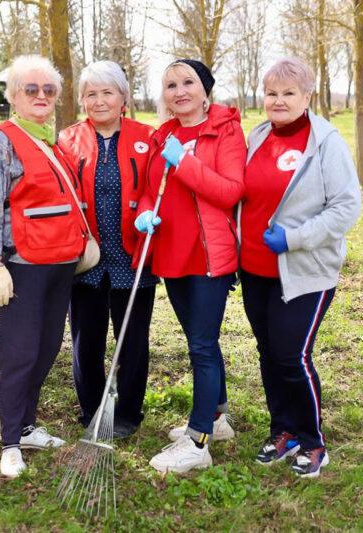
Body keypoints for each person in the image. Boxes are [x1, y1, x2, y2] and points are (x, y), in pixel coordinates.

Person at [241, 57, 361, 477]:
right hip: (254, 269)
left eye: (288, 93)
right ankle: (283, 431)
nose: (278, 100)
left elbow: (347, 207)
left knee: (292, 355)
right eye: (271, 93)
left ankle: (312, 441)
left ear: (306, 96)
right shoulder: (256, 136)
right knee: (269, 353)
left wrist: (294, 238)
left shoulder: (325, 142)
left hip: (305, 270)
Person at [0, 55, 88, 478]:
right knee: (19, 354)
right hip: (22, 265)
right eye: (31, 89)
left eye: (48, 90)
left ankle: (26, 425)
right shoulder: (2, 141)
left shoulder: (52, 140)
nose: (40, 96)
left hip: (60, 264)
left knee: (46, 348)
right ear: (13, 96)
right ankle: (9, 441)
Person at [134, 59, 246, 473]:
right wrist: (146, 213)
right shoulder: (162, 135)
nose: (179, 91)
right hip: (173, 254)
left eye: (187, 83)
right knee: (200, 341)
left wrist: (186, 162)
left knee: (201, 345)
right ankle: (216, 420)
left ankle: (197, 441)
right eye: (170, 85)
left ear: (205, 90)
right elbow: (150, 191)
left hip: (209, 256)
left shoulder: (225, 130)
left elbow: (231, 190)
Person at [57, 61, 156, 439]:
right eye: (91, 94)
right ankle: (94, 412)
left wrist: (146, 212)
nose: (99, 101)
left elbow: (152, 187)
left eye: (107, 93)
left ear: (123, 98)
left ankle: (128, 412)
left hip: (134, 257)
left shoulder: (147, 137)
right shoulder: (67, 140)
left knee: (133, 340)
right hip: (87, 259)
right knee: (87, 340)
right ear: (82, 99)